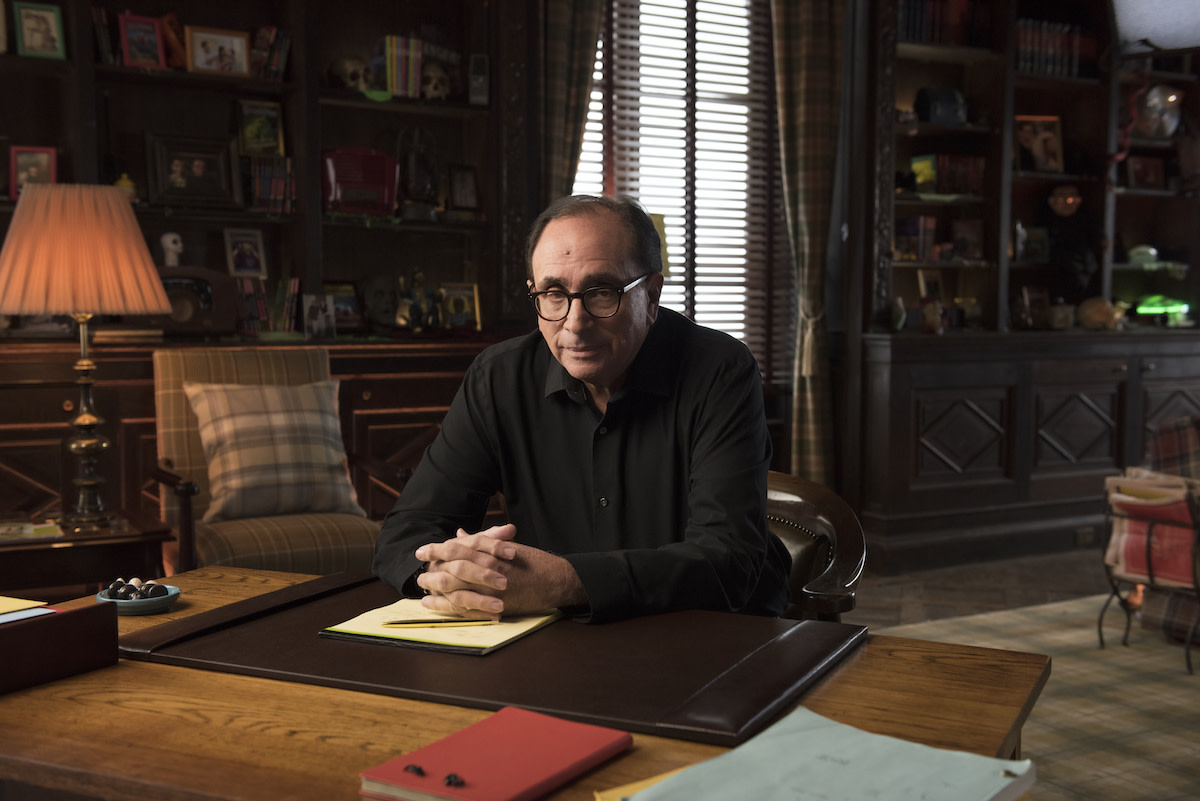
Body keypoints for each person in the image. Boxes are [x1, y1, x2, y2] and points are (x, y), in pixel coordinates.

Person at [373, 194, 791, 623]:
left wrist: (564, 581)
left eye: (601, 292)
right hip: (551, 639)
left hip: (709, 635)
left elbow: (728, 563)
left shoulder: (721, 370)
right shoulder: (499, 377)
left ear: (651, 294)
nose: (574, 322)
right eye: (553, 293)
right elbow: (407, 532)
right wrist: (451, 573)